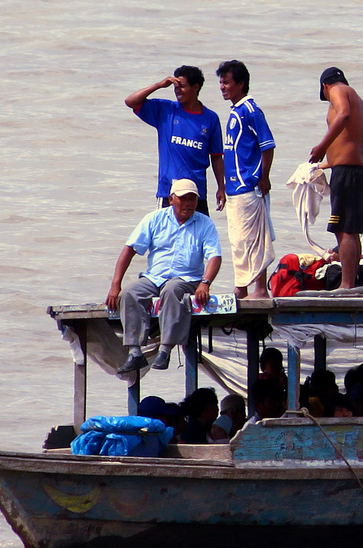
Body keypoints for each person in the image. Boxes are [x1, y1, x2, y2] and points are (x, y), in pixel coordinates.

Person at [105, 178, 223, 373]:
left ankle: (165, 349)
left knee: (172, 289)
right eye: (183, 198)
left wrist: (205, 283)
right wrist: (115, 285)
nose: (188, 203)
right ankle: (134, 352)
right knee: (129, 293)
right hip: (154, 277)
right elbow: (129, 250)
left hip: (187, 279)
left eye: (192, 199)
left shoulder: (205, 224)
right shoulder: (154, 219)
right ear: (171, 199)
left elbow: (215, 257)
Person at [213, 60, 276, 298]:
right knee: (238, 240)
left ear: (240, 83)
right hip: (233, 189)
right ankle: (241, 286)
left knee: (255, 239)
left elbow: (267, 145)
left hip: (249, 185)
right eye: (220, 82)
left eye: (227, 82)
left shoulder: (251, 110)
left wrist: (263, 176)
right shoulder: (234, 112)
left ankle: (260, 289)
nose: (222, 87)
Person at [125, 65, 224, 214]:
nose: (177, 90)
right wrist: (159, 85)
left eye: (182, 86)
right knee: (165, 237)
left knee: (199, 236)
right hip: (169, 193)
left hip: (196, 194)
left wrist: (221, 188)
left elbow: (216, 157)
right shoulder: (165, 110)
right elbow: (131, 101)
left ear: (195, 87)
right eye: (175, 86)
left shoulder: (210, 118)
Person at [309, 67, 363, 290]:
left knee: (343, 229)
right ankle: (351, 282)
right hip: (356, 170)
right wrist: (322, 164)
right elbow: (349, 142)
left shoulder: (338, 90)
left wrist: (321, 146)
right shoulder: (360, 101)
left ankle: (346, 285)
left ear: (325, 87)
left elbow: (343, 114)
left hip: (347, 172)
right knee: (351, 229)